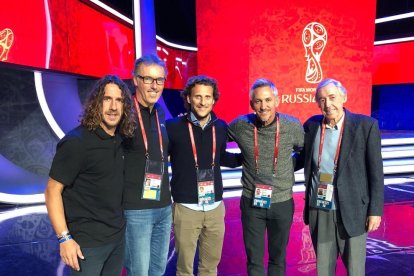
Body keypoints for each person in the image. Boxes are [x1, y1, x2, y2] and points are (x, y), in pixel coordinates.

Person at [44, 75, 136, 275]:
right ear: (96, 103)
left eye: (119, 100)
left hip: (117, 238)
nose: (113, 107)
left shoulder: (121, 139)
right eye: (107, 99)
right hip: (87, 245)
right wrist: (64, 239)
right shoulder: (77, 142)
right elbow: (52, 191)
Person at [301, 78, 384, 276]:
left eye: (332, 97)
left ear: (344, 97)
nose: (327, 104)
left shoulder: (365, 126)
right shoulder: (311, 126)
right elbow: (302, 160)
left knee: (355, 270)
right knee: (323, 271)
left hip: (354, 210)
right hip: (320, 209)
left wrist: (375, 211)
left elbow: (376, 172)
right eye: (321, 100)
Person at [228, 78, 304, 276]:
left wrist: (289, 167)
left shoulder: (291, 125)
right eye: (258, 101)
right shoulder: (240, 125)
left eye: (268, 100)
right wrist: (239, 160)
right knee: (254, 261)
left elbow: (306, 151)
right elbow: (214, 140)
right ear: (252, 104)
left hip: (282, 202)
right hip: (252, 202)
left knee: (278, 259)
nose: (264, 106)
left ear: (277, 100)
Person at [166, 75, 241, 276]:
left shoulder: (221, 126)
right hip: (186, 208)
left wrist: (249, 158)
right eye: (198, 96)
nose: (203, 102)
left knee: (210, 268)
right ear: (189, 98)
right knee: (184, 269)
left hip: (215, 207)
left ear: (214, 99)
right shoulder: (173, 127)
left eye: (208, 97)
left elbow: (221, 157)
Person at [123, 54, 172, 276]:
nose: (154, 86)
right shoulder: (123, 113)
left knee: (158, 270)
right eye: (148, 79)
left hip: (163, 206)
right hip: (136, 209)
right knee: (139, 272)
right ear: (135, 80)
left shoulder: (161, 113)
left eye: (159, 80)